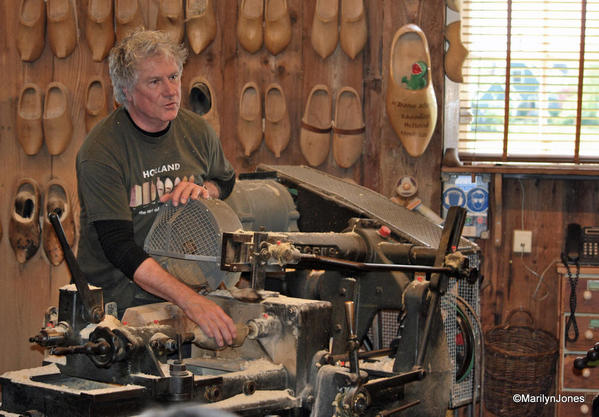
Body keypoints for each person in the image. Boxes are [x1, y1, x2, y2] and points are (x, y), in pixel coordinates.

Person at [76, 29, 237, 347]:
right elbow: (120, 248)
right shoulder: (101, 151)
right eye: (155, 82)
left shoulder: (196, 131)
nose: (171, 91)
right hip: (117, 305)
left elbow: (226, 181)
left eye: (174, 76)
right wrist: (191, 301)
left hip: (184, 287)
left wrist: (205, 191)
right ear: (126, 92)